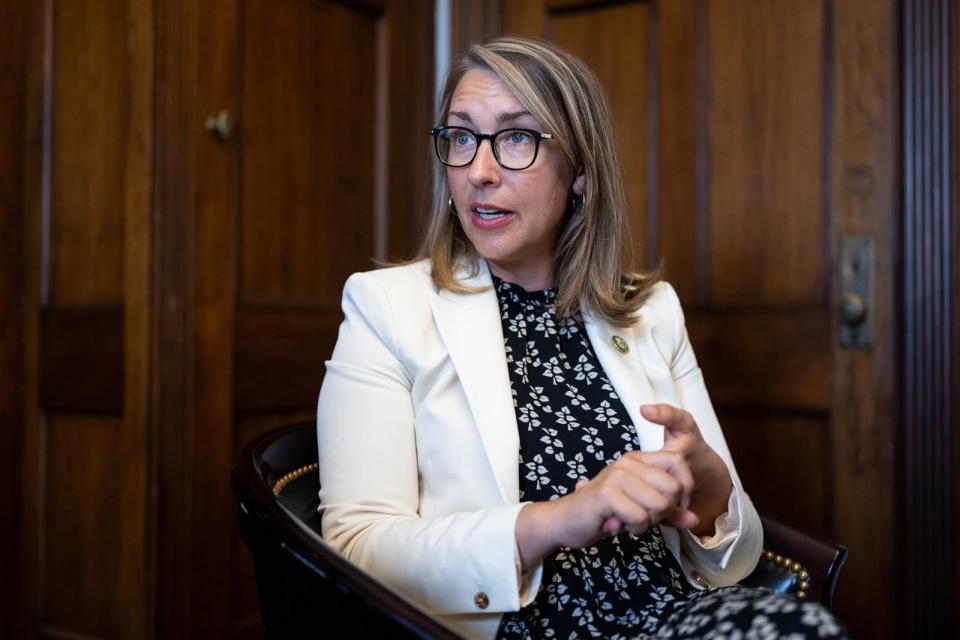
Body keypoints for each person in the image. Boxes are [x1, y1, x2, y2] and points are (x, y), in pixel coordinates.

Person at [317, 37, 845, 640]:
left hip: (670, 619)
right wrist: (560, 520)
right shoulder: (387, 307)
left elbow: (737, 560)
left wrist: (713, 487)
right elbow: (356, 552)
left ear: (581, 171)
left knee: (798, 629)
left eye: (516, 137)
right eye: (462, 137)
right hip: (522, 629)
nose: (480, 171)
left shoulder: (652, 312)